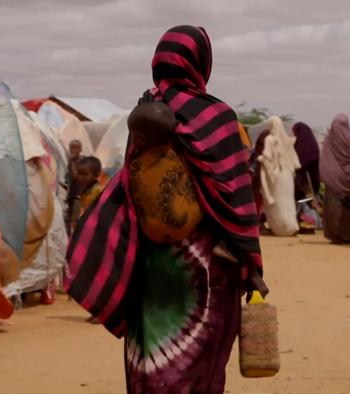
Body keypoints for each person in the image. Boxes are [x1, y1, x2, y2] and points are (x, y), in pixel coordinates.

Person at [65, 25, 267, 394]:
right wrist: (253, 266)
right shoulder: (218, 117)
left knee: (152, 350)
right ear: (201, 62)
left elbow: (131, 189)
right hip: (207, 267)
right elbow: (239, 200)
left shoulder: (143, 114)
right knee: (198, 360)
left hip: (152, 261)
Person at [319, 114, 350, 244]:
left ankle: (336, 235)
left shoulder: (329, 139)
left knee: (334, 208)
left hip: (334, 178)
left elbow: (324, 158)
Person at [257, 116, 301, 236]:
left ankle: (280, 229)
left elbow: (267, 157)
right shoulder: (287, 140)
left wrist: (260, 159)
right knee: (288, 202)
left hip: (276, 176)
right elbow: (294, 161)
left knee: (277, 203)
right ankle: (291, 226)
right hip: (287, 175)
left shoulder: (269, 139)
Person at [292, 122, 320, 200]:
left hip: (305, 182)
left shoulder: (302, 146)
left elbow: (303, 162)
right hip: (313, 181)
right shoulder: (312, 143)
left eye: (295, 132)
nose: (294, 135)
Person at [64, 139, 83, 234]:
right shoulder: (71, 162)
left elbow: (76, 176)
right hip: (71, 194)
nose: (72, 150)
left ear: (80, 149)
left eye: (75, 148)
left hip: (78, 195)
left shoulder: (81, 162)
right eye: (71, 148)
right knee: (67, 217)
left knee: (74, 218)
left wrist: (71, 162)